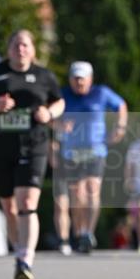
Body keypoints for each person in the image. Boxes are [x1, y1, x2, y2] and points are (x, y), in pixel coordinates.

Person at [0, 29, 64, 279]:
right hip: (1, 146)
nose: (21, 49)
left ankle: (25, 259)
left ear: (33, 49)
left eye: (25, 45)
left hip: (35, 144)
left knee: (27, 200)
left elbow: (59, 102)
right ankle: (19, 250)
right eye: (16, 45)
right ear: (8, 49)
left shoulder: (44, 75)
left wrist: (49, 113)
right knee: (9, 206)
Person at [57, 62, 128, 253]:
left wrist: (120, 127)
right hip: (72, 152)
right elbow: (49, 114)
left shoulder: (101, 93)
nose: (79, 82)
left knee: (92, 189)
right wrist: (58, 124)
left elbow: (121, 105)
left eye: (82, 78)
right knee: (77, 194)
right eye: (75, 78)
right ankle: (79, 232)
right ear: (70, 79)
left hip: (95, 150)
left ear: (90, 78)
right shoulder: (63, 94)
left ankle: (88, 232)